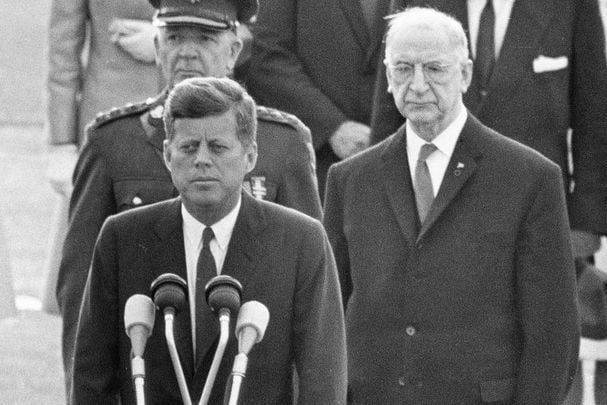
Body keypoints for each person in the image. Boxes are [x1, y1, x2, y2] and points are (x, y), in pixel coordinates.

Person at [57, 0, 322, 394]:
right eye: (175, 37)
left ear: (234, 50)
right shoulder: (112, 144)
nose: (188, 52)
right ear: (157, 45)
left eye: (205, 38)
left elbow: (310, 293)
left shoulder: (281, 145)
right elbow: (82, 294)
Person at [323, 8, 579, 404]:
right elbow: (328, 318)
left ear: (464, 74)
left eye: (435, 69)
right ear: (387, 78)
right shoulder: (350, 180)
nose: (418, 85)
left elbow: (553, 333)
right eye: (403, 69)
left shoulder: (529, 178)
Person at [71, 76, 346, 404]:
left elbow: (322, 385)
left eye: (218, 147)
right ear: (167, 155)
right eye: (188, 147)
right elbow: (92, 378)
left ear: (250, 156)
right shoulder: (122, 238)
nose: (202, 159)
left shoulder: (301, 241)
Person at [370, 0, 607, 268]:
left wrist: (586, 224)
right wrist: (380, 214)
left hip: (538, 218)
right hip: (436, 218)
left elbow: (594, 115)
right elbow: (389, 114)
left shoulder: (571, 5)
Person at [44, 0, 160, 313]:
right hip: (106, 129)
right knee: (92, 288)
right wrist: (61, 143)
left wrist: (168, 37)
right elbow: (63, 54)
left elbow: (247, 31)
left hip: (187, 125)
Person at [246, 0, 391, 197]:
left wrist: (390, 135)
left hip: (402, 166)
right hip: (318, 165)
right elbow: (269, 59)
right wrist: (333, 127)